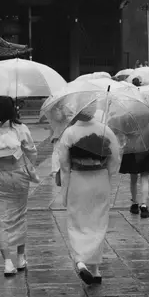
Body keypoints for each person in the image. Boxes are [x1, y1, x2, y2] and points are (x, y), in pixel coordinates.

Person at [54, 105, 122, 285]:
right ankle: (95, 268)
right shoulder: (105, 130)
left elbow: (64, 163)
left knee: (77, 221)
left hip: (78, 180)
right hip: (99, 178)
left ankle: (80, 260)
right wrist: (107, 172)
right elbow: (115, 158)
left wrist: (65, 187)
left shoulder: (70, 132)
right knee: (98, 221)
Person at [0, 96, 39, 276]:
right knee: (20, 215)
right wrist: (25, 162)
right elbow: (32, 150)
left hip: (0, 177)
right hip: (19, 175)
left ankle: (7, 262)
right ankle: (21, 258)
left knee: (2, 219)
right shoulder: (21, 129)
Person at [120, 147, 149, 218]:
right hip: (146, 150)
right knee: (145, 178)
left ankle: (135, 203)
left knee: (133, 179)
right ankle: (144, 205)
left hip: (132, 150)